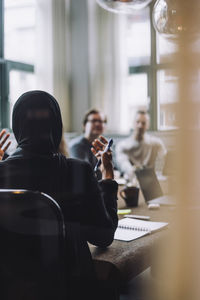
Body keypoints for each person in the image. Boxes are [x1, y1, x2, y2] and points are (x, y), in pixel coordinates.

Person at [0, 91, 118, 299]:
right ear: (57, 126)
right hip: (70, 289)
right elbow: (103, 237)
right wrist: (107, 176)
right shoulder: (78, 171)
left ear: (17, 126)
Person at [115, 110, 167, 182]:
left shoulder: (156, 143)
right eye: (137, 122)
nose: (140, 126)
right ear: (133, 123)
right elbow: (124, 165)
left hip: (151, 183)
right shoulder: (122, 146)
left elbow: (164, 161)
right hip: (131, 183)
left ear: (148, 125)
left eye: (143, 123)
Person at [69, 109, 107, 179]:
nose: (98, 124)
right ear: (84, 125)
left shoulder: (103, 145)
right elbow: (84, 173)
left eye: (101, 121)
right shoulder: (76, 146)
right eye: (94, 121)